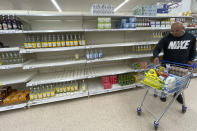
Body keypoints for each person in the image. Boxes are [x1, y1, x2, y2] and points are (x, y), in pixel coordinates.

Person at [153, 22, 196, 104]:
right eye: (172, 31)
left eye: (176, 31)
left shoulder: (191, 37)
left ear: (183, 29)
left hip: (182, 64)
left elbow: (193, 50)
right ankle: (163, 93)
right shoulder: (167, 37)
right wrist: (156, 56)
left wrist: (191, 60)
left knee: (179, 82)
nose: (174, 33)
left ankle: (177, 94)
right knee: (165, 80)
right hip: (167, 64)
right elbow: (157, 48)